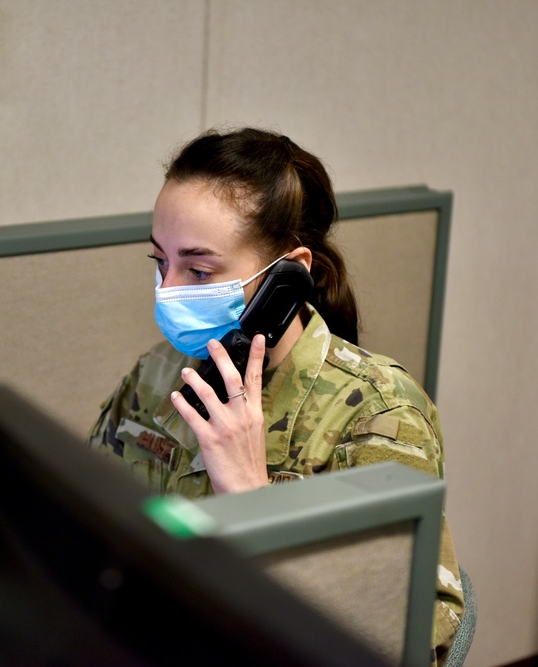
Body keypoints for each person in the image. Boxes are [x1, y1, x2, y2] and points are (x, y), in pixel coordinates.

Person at [86, 126, 464, 666]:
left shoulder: (379, 414)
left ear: (290, 275)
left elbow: (402, 647)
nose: (168, 292)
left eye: (198, 270)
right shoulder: (162, 371)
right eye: (160, 263)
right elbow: (77, 522)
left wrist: (255, 503)